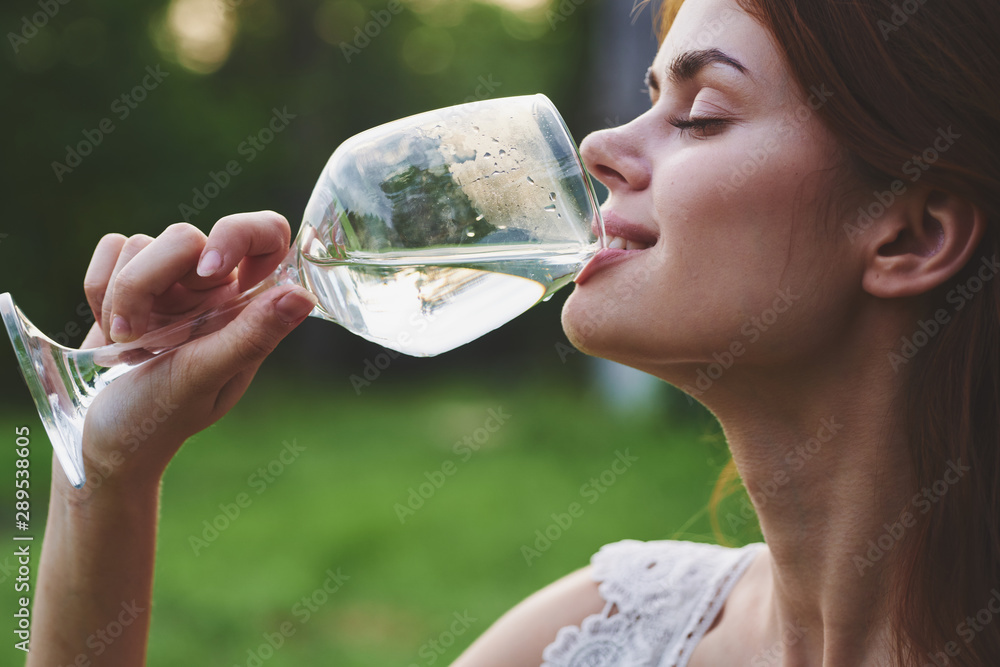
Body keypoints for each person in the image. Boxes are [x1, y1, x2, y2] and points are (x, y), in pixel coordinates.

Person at [28, 0, 1000, 664]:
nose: (602, 148)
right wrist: (109, 479)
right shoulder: (605, 634)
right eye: (647, 96)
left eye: (699, 113)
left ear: (911, 233)